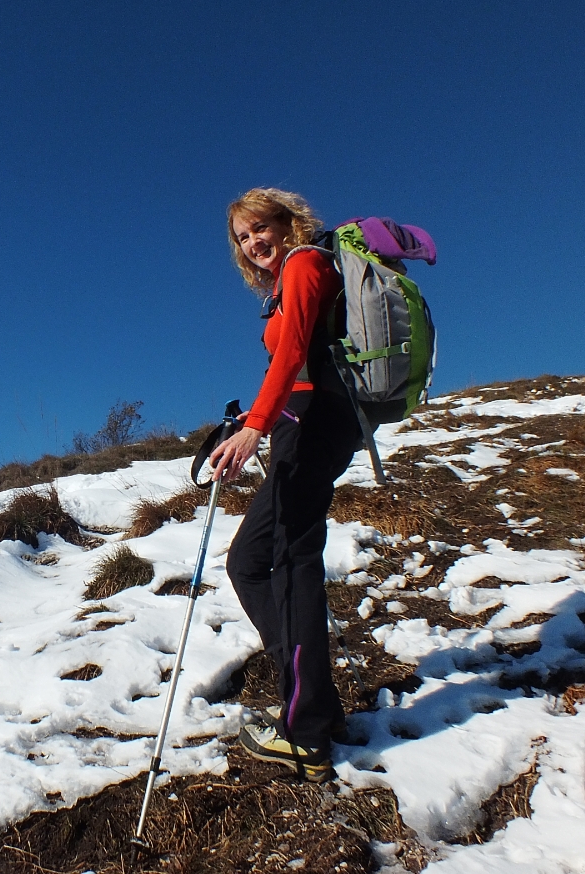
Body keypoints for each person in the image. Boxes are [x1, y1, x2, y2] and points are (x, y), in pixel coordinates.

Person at [208, 188, 362, 782]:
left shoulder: (304, 263)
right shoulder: (293, 277)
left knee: (293, 563)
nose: (254, 243)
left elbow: (293, 351)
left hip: (311, 423)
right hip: (306, 424)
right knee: (250, 561)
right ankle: (314, 700)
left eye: (260, 228)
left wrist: (255, 427)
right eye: (243, 238)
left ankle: (305, 733)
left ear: (287, 222)